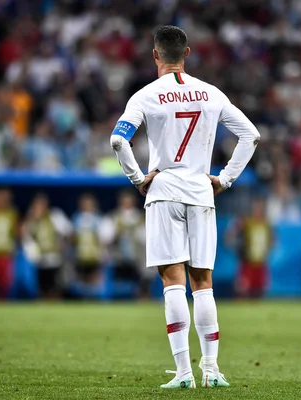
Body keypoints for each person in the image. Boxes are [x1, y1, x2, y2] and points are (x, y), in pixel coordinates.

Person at [109, 26, 259, 389]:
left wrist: (138, 178)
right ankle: (211, 370)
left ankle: (183, 374)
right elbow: (251, 135)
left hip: (164, 192)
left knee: (172, 282)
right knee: (202, 283)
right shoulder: (210, 93)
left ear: (155, 55)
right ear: (187, 53)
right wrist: (224, 179)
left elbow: (118, 139)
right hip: (201, 191)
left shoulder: (145, 95)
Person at [22, 193, 72, 299]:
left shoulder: (55, 216)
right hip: (41, 260)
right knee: (42, 288)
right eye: (37, 205)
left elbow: (68, 232)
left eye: (42, 205)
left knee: (55, 287)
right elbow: (26, 238)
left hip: (54, 258)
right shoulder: (31, 220)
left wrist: (63, 245)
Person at [99, 191, 148, 294]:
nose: (127, 204)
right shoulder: (113, 217)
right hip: (117, 257)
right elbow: (105, 237)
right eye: (124, 201)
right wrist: (116, 233)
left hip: (136, 257)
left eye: (129, 201)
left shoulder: (139, 217)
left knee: (144, 274)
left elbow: (145, 238)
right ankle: (112, 295)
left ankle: (142, 294)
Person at [225, 197, 274, 298]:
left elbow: (272, 239)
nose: (257, 210)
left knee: (259, 291)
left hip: (261, 262)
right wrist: (235, 246)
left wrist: (268, 250)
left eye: (259, 207)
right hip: (247, 263)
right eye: (255, 207)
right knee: (243, 290)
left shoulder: (265, 223)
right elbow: (230, 235)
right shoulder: (246, 222)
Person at [72, 194, 104, 284]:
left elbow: (102, 236)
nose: (86, 206)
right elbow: (73, 236)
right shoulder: (77, 218)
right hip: (80, 255)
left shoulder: (98, 218)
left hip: (94, 255)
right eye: (84, 203)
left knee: (94, 279)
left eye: (89, 203)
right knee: (82, 279)